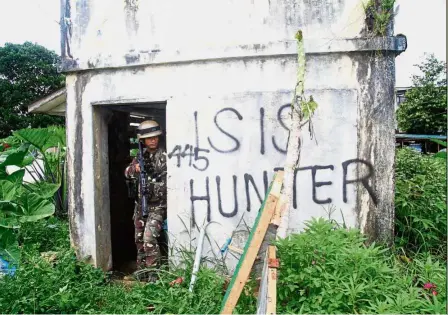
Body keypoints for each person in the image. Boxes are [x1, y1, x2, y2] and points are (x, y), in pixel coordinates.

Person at [124, 120, 167, 278]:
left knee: (149, 238)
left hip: (158, 206)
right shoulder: (140, 157)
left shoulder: (164, 156)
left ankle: (154, 275)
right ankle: (142, 272)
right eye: (149, 138)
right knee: (139, 240)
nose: (153, 140)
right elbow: (127, 174)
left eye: (155, 137)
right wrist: (134, 169)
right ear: (143, 140)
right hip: (141, 207)